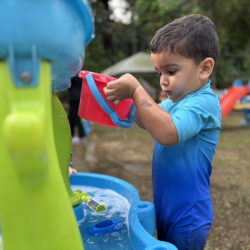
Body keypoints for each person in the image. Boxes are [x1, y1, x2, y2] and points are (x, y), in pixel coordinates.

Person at [103, 14, 221, 250]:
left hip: (188, 211)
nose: (163, 82)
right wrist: (124, 103)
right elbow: (148, 120)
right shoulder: (174, 102)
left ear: (204, 68)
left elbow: (168, 133)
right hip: (167, 204)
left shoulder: (204, 103)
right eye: (159, 73)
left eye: (171, 71)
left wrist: (137, 89)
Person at [68, 74, 86, 144]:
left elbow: (68, 85)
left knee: (75, 116)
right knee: (71, 117)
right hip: (79, 96)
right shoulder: (81, 75)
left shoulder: (72, 74)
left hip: (73, 97)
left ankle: (81, 135)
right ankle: (71, 134)